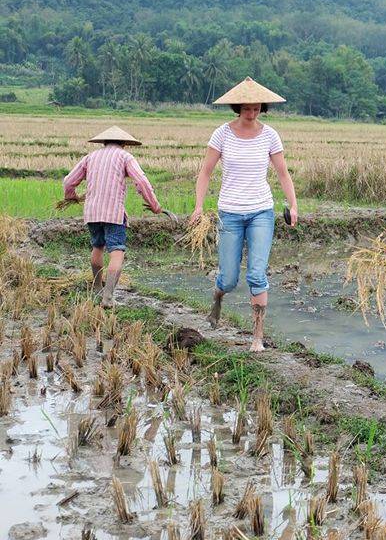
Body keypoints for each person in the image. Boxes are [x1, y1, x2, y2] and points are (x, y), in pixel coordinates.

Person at [190, 77, 299, 352]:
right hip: (230, 212)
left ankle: (257, 337)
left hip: (261, 211)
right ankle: (217, 296)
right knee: (228, 278)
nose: (251, 114)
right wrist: (199, 206)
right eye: (246, 109)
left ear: (262, 108)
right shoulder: (222, 134)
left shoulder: (270, 135)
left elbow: (283, 173)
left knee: (256, 274)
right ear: (237, 108)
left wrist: (293, 205)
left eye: (256, 109)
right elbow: (205, 172)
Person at [62, 126, 163, 308]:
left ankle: (97, 289)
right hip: (114, 213)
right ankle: (108, 297)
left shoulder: (91, 157)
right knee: (116, 251)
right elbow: (141, 182)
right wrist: (155, 206)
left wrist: (71, 197)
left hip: (92, 212)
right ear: (124, 143)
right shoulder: (125, 157)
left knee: (97, 247)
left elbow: (69, 181)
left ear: (104, 142)